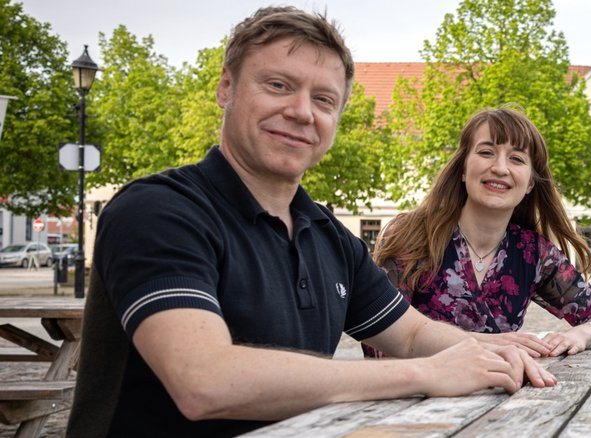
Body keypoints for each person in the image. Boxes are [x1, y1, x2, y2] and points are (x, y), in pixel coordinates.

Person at [67, 7, 554, 437]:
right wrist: (426, 374)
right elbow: (205, 382)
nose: (301, 112)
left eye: (324, 99)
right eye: (278, 85)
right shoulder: (159, 210)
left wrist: (493, 355)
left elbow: (409, 334)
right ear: (226, 87)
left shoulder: (328, 236)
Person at [364, 106, 591, 359]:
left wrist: (580, 336)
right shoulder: (412, 235)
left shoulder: (532, 253)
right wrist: (483, 346)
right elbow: (380, 342)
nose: (501, 168)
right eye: (487, 152)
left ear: (530, 183)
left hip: (498, 400)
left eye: (517, 159)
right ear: (463, 169)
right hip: (412, 399)